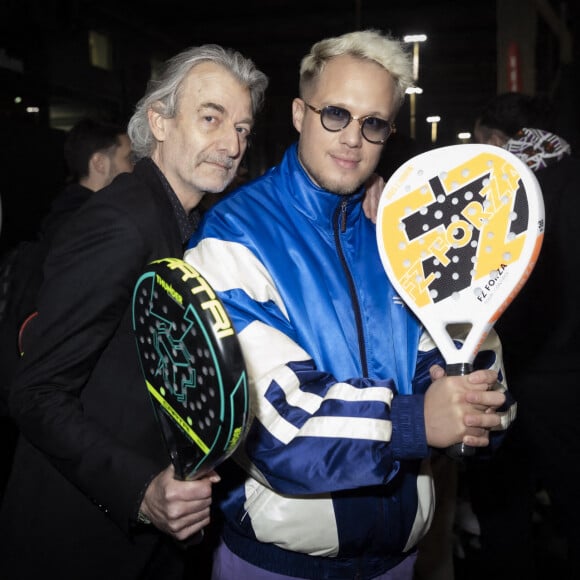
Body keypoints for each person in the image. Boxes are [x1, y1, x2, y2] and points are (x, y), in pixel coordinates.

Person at [183, 30, 512, 580]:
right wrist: (413, 422)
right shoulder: (233, 236)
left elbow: (482, 393)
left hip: (399, 562)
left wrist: (470, 407)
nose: (352, 138)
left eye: (374, 123)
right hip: (277, 567)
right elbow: (274, 425)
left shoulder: (402, 233)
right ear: (298, 113)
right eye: (335, 113)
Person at [0, 44, 268, 580]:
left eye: (241, 127)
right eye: (211, 118)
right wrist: (141, 491)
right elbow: (35, 393)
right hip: (77, 542)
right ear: (159, 123)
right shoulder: (120, 222)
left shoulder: (190, 222)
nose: (231, 143)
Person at [466, 92, 580, 579]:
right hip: (572, 381)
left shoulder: (496, 187)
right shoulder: (574, 175)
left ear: (496, 140)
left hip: (504, 375)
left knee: (503, 515)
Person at [0, 117, 134, 497]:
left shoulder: (58, 219)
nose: (133, 167)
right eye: (126, 157)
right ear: (100, 164)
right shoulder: (94, 231)